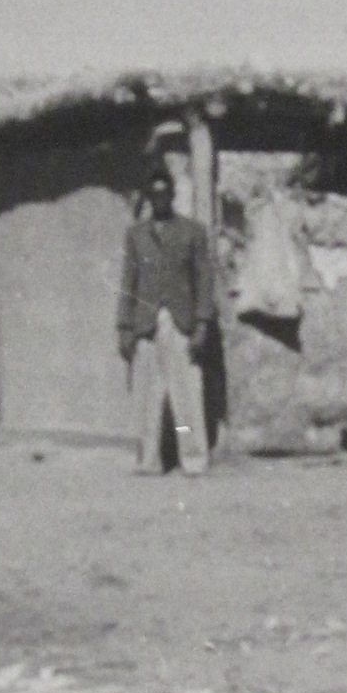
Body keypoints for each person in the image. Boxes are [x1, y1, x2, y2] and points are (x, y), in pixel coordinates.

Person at [117, 165, 216, 475]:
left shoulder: (192, 232)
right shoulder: (136, 235)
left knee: (185, 395)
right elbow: (127, 283)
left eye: (165, 193)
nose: (160, 199)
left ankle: (193, 457)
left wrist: (201, 323)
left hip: (180, 322)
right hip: (146, 323)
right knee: (147, 397)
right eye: (154, 194)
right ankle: (148, 460)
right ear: (149, 198)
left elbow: (204, 281)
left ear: (173, 195)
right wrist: (124, 327)